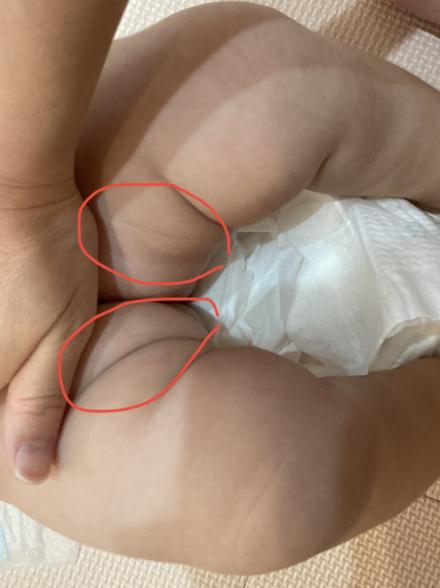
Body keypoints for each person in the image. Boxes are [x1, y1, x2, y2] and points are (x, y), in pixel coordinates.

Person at [0, 0, 439, 576]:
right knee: (265, 487)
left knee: (267, 89)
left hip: (44, 176)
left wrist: (21, 197)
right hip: (25, 411)